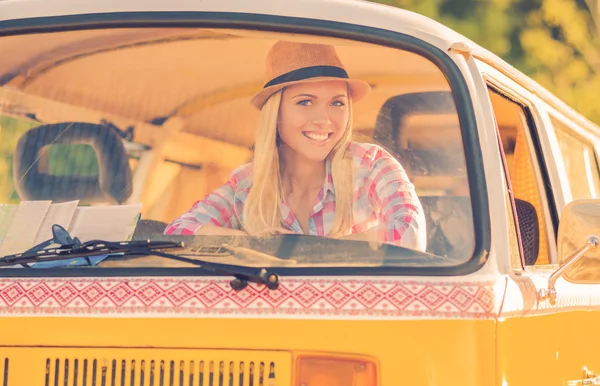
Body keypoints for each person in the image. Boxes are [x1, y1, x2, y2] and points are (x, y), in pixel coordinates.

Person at [164, 41, 427, 251]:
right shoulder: (247, 184)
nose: (324, 120)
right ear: (275, 115)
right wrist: (257, 244)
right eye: (305, 102)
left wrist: (303, 249)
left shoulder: (370, 165)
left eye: (337, 103)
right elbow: (179, 231)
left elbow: (408, 232)